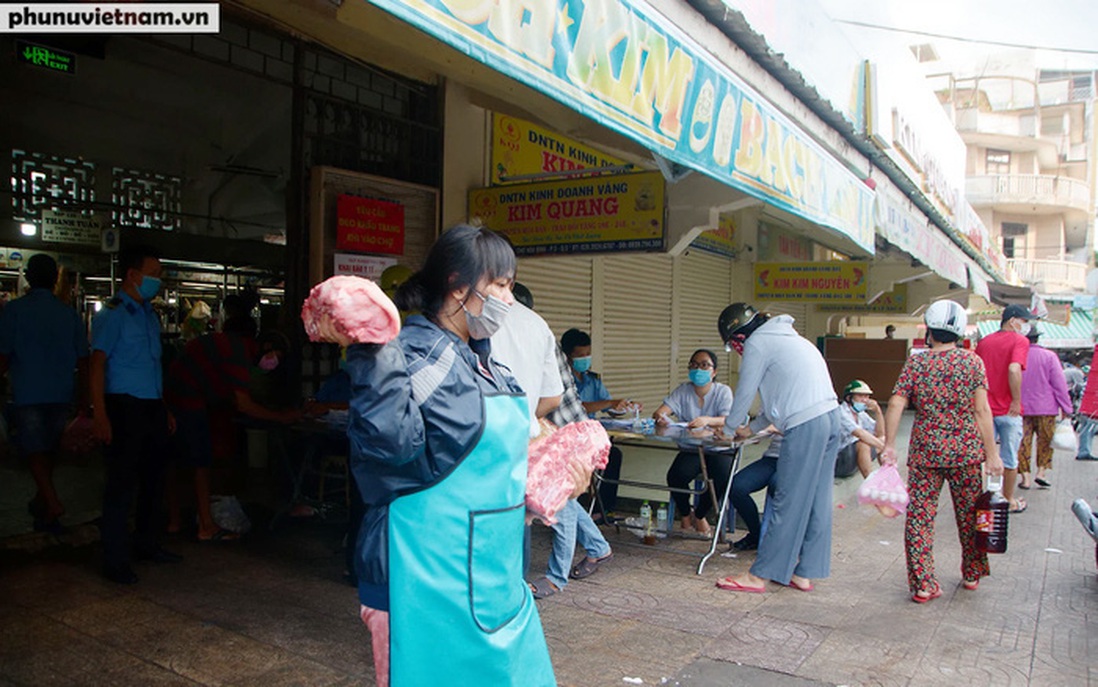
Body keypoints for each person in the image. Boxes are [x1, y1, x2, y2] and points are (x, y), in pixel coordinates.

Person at [310, 224, 586, 687]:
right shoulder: (413, 354)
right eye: (499, 284)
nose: (508, 298)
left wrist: (554, 479)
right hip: (422, 577)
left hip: (496, 577)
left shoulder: (488, 363)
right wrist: (369, 348)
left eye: (511, 285)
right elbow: (389, 449)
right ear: (458, 286)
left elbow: (500, 461)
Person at [881, 300, 1004, 602]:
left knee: (920, 518)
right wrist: (992, 454)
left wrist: (888, 446)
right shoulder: (972, 362)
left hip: (926, 453)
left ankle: (924, 584)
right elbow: (982, 410)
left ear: (930, 332)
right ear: (960, 332)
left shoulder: (916, 362)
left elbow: (897, 402)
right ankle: (972, 573)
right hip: (966, 453)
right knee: (970, 515)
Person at [715, 303, 842, 594]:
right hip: (829, 418)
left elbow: (746, 391)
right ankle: (804, 571)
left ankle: (761, 574)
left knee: (788, 499)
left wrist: (730, 429)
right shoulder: (790, 338)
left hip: (806, 425)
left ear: (739, 336)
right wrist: (754, 427)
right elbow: (779, 402)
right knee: (817, 500)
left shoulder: (759, 342)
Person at [165, 318, 301, 541]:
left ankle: (174, 521)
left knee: (174, 461)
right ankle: (206, 527)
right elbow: (243, 404)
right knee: (200, 464)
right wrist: (281, 416)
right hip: (188, 398)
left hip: (175, 395)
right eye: (276, 356)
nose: (273, 363)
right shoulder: (238, 354)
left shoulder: (232, 347)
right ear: (267, 348)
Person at [91, 245, 180, 585]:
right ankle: (114, 559)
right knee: (121, 484)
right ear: (133, 275)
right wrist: (99, 414)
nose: (157, 281)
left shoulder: (149, 315)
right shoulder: (112, 314)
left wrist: (163, 408)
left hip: (151, 406)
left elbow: (152, 367)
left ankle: (147, 544)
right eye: (153, 275)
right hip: (123, 406)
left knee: (154, 479)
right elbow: (97, 366)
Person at [0, 254, 90, 534]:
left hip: (28, 392)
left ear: (27, 277)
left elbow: (2, 355)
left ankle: (51, 502)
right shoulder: (69, 315)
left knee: (33, 450)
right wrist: (85, 401)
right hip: (62, 393)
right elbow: (84, 361)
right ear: (55, 281)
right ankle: (43, 508)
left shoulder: (14, 312)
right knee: (48, 450)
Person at [526, 323, 613, 599]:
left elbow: (550, 401)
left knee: (562, 509)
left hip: (568, 436)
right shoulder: (541, 344)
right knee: (570, 502)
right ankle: (599, 549)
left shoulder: (542, 349)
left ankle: (555, 578)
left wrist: (529, 418)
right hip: (572, 433)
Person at [654, 349, 734, 534]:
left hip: (718, 449)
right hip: (692, 449)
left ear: (714, 371)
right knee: (676, 476)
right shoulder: (683, 390)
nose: (698, 369)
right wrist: (661, 417)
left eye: (704, 365)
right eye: (694, 364)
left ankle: (700, 515)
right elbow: (661, 411)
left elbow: (728, 419)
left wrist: (707, 420)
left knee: (722, 476)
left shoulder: (723, 391)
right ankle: (685, 513)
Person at [561, 328, 629, 519]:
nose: (585, 358)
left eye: (588, 354)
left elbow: (610, 407)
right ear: (567, 356)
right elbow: (579, 406)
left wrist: (623, 406)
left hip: (590, 438)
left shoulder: (593, 380)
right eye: (580, 355)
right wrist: (608, 403)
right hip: (569, 440)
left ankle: (603, 509)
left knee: (613, 456)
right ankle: (585, 508)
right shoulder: (562, 380)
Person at [975, 304, 1034, 513]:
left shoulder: (984, 342)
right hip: (1008, 411)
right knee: (1009, 458)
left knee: (979, 457)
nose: (1026, 325)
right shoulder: (1020, 341)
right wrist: (1016, 400)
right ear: (1012, 320)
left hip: (983, 410)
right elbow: (1013, 368)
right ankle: (1008, 500)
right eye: (1024, 321)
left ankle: (979, 500)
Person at [1017, 327, 1072, 490]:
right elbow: (1059, 385)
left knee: (1023, 442)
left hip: (1021, 408)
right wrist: (1066, 407)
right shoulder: (1049, 356)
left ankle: (1025, 477)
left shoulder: (1018, 357)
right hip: (1046, 409)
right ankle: (1041, 473)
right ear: (1037, 339)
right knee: (1046, 442)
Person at [727, 416, 781, 552]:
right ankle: (756, 534)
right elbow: (761, 426)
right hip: (772, 457)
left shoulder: (807, 400)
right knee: (736, 487)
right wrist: (751, 435)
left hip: (798, 459)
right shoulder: (773, 402)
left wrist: (777, 428)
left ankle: (781, 539)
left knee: (778, 485)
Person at [836, 380, 886, 479]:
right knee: (863, 443)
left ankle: (888, 477)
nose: (865, 400)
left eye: (867, 396)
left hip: (854, 460)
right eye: (860, 396)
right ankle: (871, 483)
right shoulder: (841, 412)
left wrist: (878, 411)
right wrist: (884, 446)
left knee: (882, 439)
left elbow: (880, 433)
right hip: (840, 462)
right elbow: (860, 434)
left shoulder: (860, 414)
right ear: (849, 398)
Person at [1075, 344, 1098, 461]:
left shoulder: (1090, 381)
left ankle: (1084, 450)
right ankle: (1084, 451)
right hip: (1090, 407)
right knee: (1088, 429)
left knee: (1087, 428)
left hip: (1085, 405)